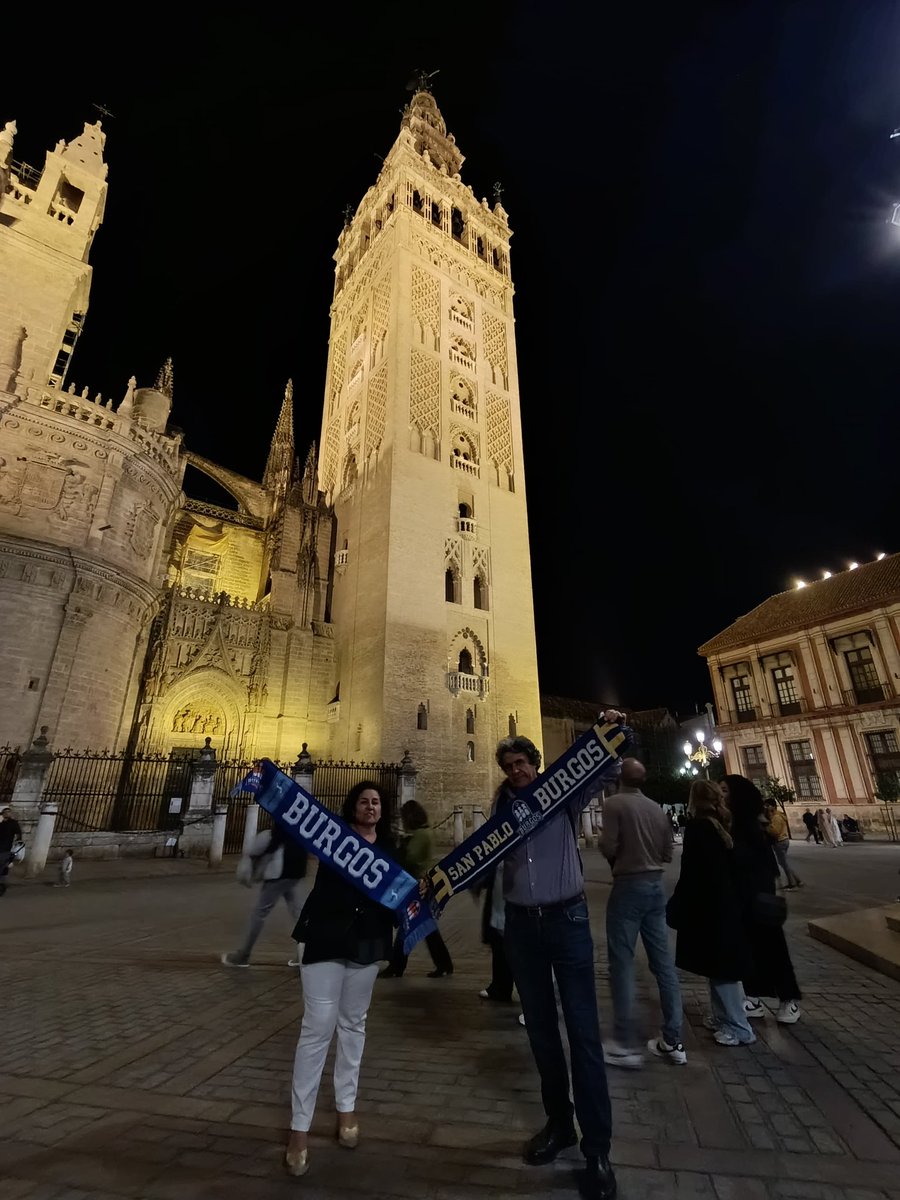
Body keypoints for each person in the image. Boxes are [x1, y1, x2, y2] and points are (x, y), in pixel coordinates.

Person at [495, 731, 618, 1200]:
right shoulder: (500, 810)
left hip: (567, 919)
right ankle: (559, 1124)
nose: (516, 771)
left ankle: (598, 1151)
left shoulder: (563, 792)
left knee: (584, 1034)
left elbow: (606, 770)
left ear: (536, 763)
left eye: (522, 763)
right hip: (522, 927)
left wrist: (609, 732)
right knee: (542, 1033)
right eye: (509, 766)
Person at [284, 782, 394, 1177]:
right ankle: (300, 1128)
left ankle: (347, 1108)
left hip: (365, 945)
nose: (370, 807)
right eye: (364, 801)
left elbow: (400, 891)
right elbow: (297, 821)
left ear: (384, 809)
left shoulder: (390, 845)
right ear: (352, 807)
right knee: (316, 1029)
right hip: (324, 939)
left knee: (353, 1026)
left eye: (376, 802)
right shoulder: (332, 835)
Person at [600, 758, 685, 1069]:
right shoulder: (656, 808)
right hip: (655, 887)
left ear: (619, 778)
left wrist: (619, 858)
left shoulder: (614, 804)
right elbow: (667, 852)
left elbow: (607, 846)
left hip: (628, 886)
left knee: (621, 963)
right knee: (663, 965)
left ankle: (624, 1042)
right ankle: (673, 1040)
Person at [666, 780, 755, 1046]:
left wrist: (678, 904)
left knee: (722, 967)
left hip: (711, 907)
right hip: (724, 904)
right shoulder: (722, 824)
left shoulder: (698, 828)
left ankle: (739, 1027)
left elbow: (692, 872)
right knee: (718, 966)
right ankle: (723, 1017)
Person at [722, 775, 802, 1025]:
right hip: (742, 898)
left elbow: (765, 865)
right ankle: (753, 997)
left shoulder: (752, 827)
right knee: (748, 949)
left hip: (759, 897)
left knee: (773, 949)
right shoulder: (730, 824)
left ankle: (789, 1000)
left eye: (724, 790)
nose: (720, 795)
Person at [380, 799, 453, 978]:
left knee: (409, 925)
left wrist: (402, 845)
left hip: (418, 885)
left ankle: (397, 966)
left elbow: (411, 858)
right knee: (426, 928)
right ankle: (444, 964)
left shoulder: (420, 835)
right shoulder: (426, 831)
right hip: (424, 884)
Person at [221, 824, 309, 967]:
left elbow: (258, 849)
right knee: (299, 914)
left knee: (259, 914)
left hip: (278, 874)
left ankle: (243, 955)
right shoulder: (300, 826)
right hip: (296, 871)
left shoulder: (277, 830)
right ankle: (304, 954)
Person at [765, 801, 802, 890]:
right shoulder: (778, 816)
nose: (766, 807)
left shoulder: (776, 817)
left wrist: (767, 827)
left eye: (768, 805)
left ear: (773, 806)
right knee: (784, 863)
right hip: (783, 840)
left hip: (780, 841)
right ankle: (797, 880)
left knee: (784, 863)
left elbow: (775, 832)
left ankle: (792, 884)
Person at [0, 806, 23, 895]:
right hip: (2, 849)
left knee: (3, 867)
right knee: (3, 867)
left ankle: (2, 887)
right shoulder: (1, 824)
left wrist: (18, 843)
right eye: (6, 812)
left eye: (9, 812)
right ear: (3, 814)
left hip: (6, 849)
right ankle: (2, 886)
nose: (8, 813)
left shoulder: (13, 823)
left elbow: (18, 834)